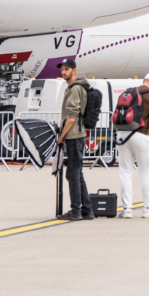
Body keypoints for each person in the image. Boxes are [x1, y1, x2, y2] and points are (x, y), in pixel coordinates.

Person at [118, 73, 149, 218]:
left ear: (144, 81)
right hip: (140, 135)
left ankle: (126, 209)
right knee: (146, 172)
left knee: (125, 172)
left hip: (122, 134)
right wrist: (146, 130)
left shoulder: (129, 92)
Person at [55, 59, 93, 221]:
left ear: (74, 70)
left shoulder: (76, 88)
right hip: (76, 135)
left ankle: (76, 211)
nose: (63, 72)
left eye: (67, 69)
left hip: (74, 135)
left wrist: (61, 137)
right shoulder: (73, 87)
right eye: (62, 69)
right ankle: (87, 210)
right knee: (77, 173)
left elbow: (71, 117)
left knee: (73, 173)